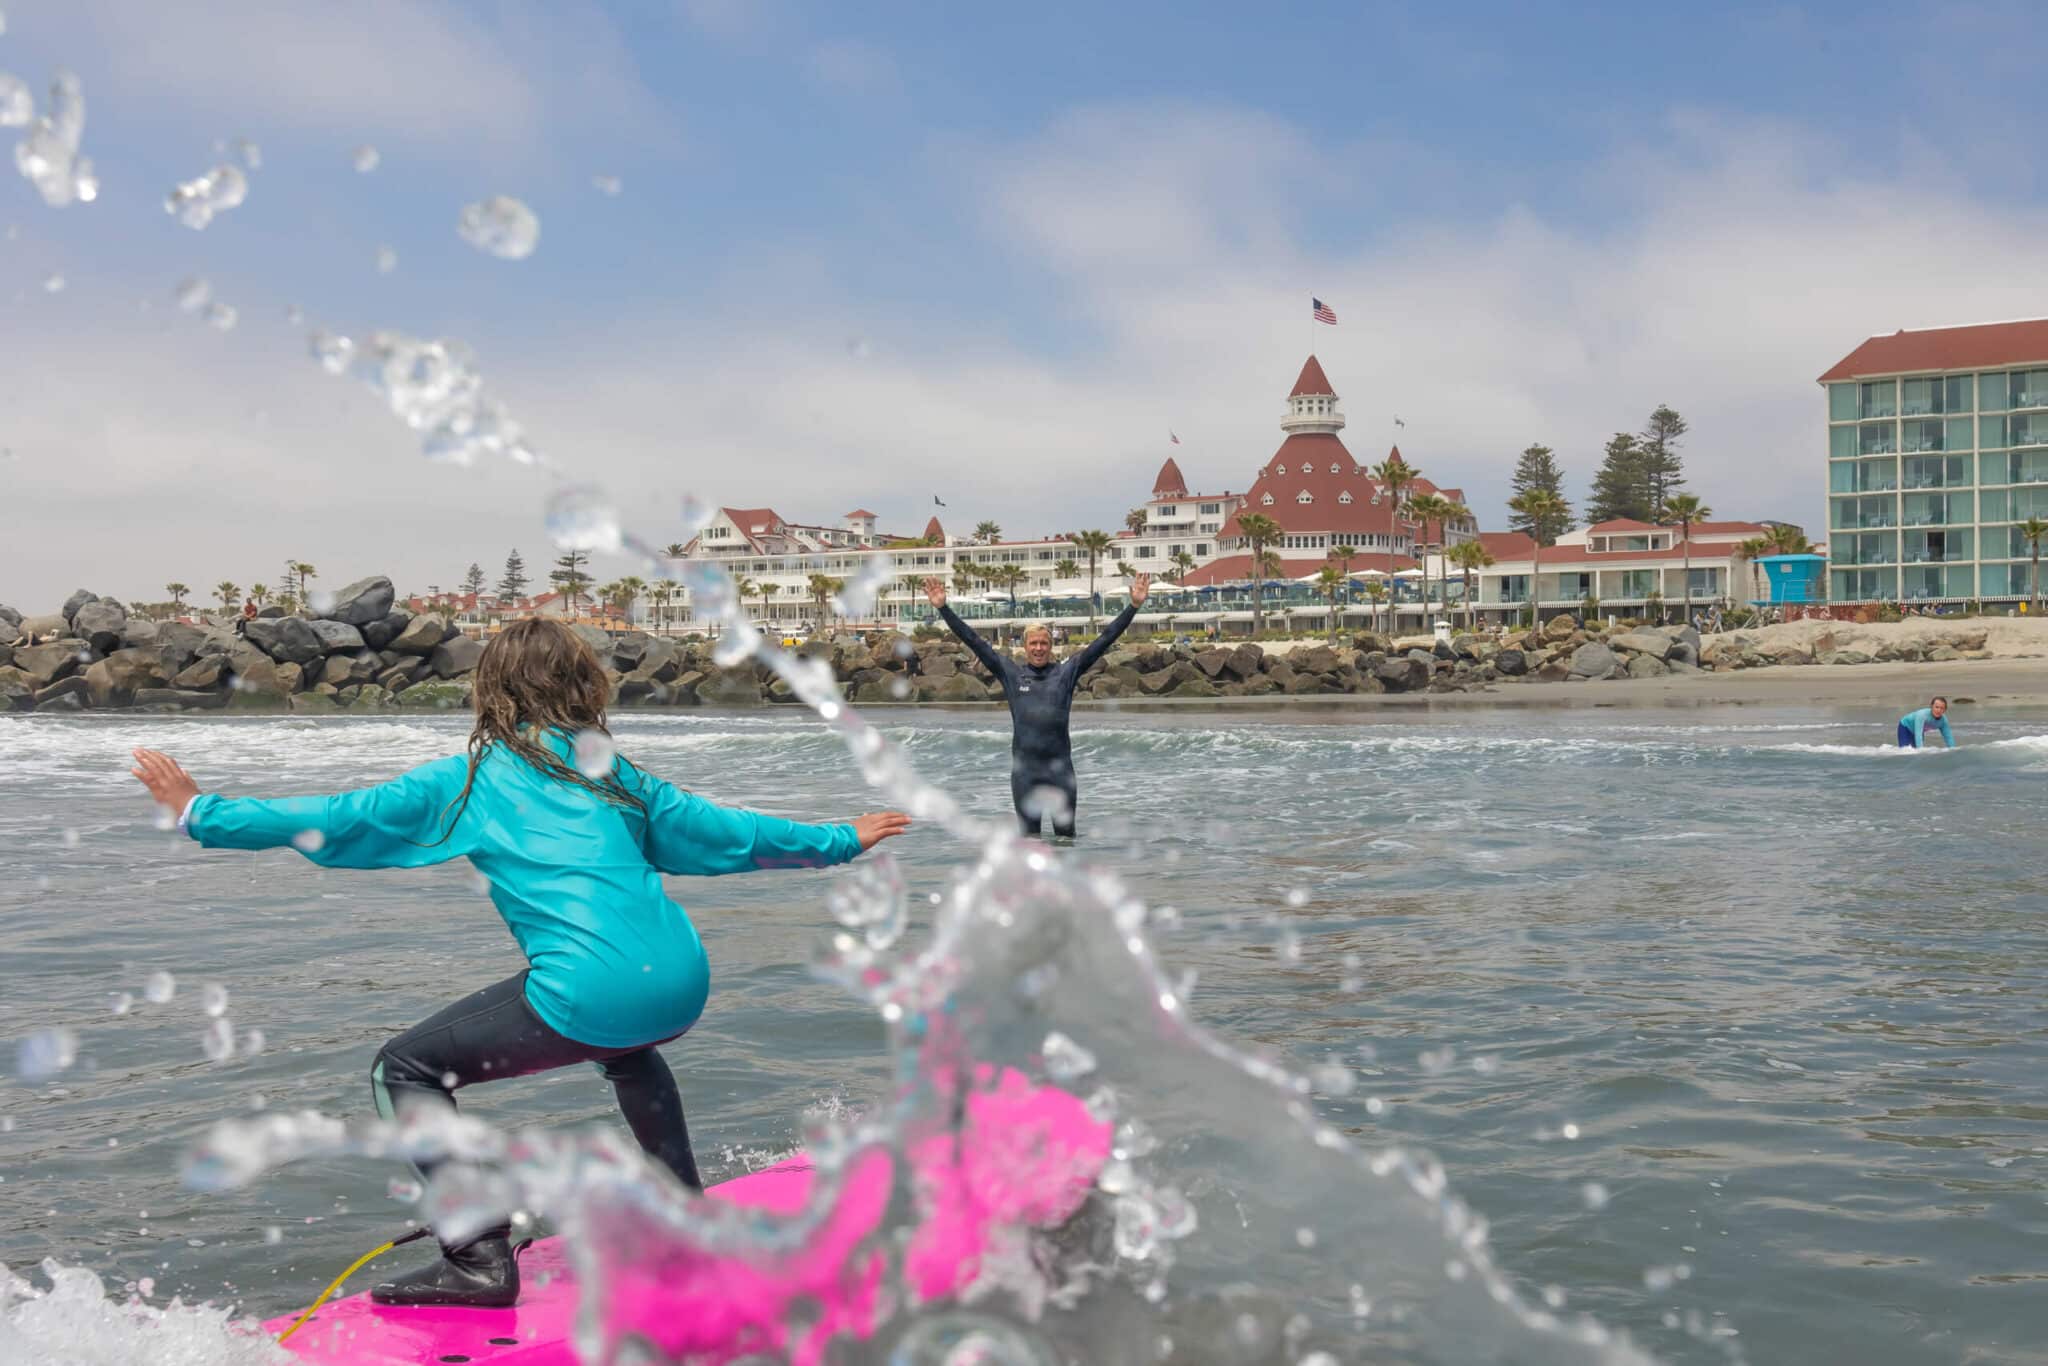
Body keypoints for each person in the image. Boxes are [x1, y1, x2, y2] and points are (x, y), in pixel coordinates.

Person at [126, 618, 910, 1309]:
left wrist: (202, 812)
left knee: (403, 1069)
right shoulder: (612, 772)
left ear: (491, 689)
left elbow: (339, 819)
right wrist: (840, 838)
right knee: (626, 1049)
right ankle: (685, 1215)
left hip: (594, 986)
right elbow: (724, 831)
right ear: (578, 687)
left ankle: (476, 1257)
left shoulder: (474, 775)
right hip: (682, 980)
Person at [924, 574, 1148, 838]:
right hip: (1025, 775)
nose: (1039, 648)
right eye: (1034, 643)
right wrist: (942, 608)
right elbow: (974, 641)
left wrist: (1133, 606)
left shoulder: (1067, 672)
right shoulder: (1011, 673)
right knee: (1030, 844)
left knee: (1065, 841)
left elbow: (1104, 640)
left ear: (1051, 646)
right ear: (1025, 647)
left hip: (1061, 773)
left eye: (1044, 643)